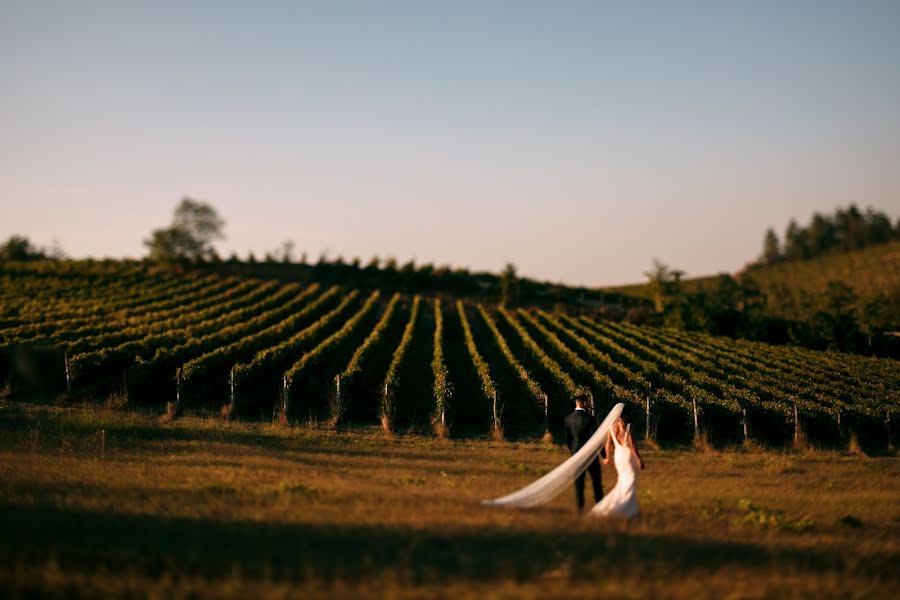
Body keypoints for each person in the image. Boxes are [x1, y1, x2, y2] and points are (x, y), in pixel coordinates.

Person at [590, 416, 644, 519]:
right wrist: (639, 459)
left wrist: (607, 457)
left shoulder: (611, 428)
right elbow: (632, 446)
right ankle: (623, 509)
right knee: (629, 482)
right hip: (628, 458)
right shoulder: (628, 427)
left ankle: (629, 509)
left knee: (623, 482)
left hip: (618, 457)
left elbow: (607, 444)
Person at [564, 392, 604, 512]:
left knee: (579, 483)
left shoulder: (568, 419)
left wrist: (573, 453)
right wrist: (604, 455)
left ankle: (580, 508)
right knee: (596, 482)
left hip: (576, 455)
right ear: (585, 402)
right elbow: (596, 438)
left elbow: (568, 440)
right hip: (591, 455)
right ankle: (599, 507)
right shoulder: (589, 419)